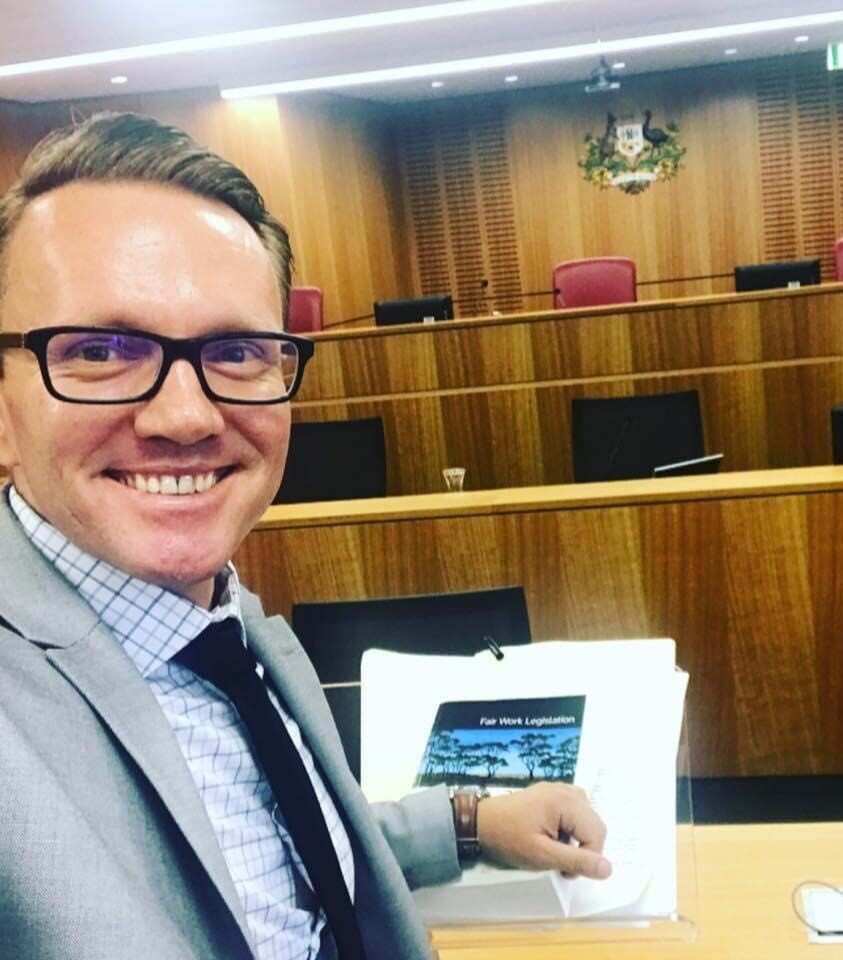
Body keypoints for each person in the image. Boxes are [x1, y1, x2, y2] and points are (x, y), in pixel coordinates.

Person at [0, 112, 610, 960]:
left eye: (239, 351)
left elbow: (253, 849)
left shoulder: (224, 628)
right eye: (101, 350)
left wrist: (470, 819)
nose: (186, 416)